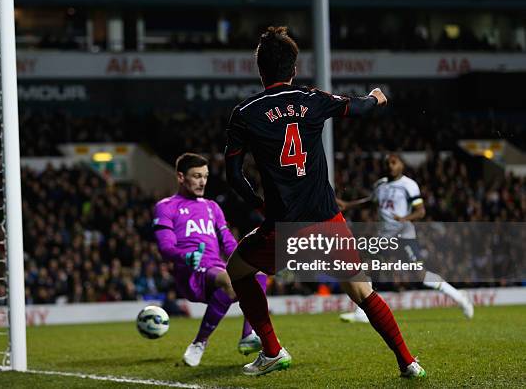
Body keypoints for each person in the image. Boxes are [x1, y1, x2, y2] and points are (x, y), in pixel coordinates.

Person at [224, 26, 425, 378]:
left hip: (284, 224)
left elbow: (232, 173)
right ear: (294, 69)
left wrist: (258, 204)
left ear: (260, 70)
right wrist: (376, 97)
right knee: (362, 290)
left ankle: (272, 350)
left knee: (237, 270)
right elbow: (357, 106)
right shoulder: (310, 99)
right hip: (328, 218)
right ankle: (408, 362)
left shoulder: (246, 112)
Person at [153, 153, 266, 367]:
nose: (202, 181)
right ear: (180, 177)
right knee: (227, 281)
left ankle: (248, 336)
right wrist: (186, 256)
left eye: (205, 176)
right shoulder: (166, 206)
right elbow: (165, 247)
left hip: (215, 268)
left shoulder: (212, 207)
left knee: (258, 272)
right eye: (196, 176)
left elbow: (228, 242)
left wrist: (248, 260)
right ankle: (199, 343)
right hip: (189, 271)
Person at [337, 153, 474, 322]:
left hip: (404, 235)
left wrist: (405, 218)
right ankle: (362, 313)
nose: (390, 166)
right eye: (388, 163)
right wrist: (348, 205)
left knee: (420, 275)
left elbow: (421, 211)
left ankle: (459, 297)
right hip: (384, 236)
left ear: (401, 165)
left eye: (394, 162)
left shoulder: (409, 185)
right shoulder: (380, 184)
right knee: (366, 266)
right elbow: (371, 201)